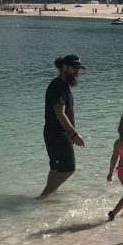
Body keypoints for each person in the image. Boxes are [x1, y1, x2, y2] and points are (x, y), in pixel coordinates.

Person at [38, 54, 86, 199]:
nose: (76, 72)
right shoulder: (58, 86)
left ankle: (48, 199)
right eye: (74, 68)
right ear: (64, 67)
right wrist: (73, 134)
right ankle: (42, 198)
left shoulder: (63, 85)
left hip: (54, 133)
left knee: (56, 168)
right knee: (68, 169)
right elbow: (60, 113)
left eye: (78, 69)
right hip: (58, 134)